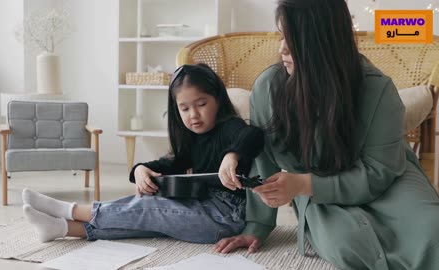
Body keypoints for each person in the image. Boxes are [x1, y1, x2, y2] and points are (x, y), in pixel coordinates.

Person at [214, 0, 439, 269]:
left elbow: (380, 170)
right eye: (281, 36)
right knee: (350, 243)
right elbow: (263, 160)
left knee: (438, 233)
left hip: (388, 179)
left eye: (294, 39)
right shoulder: (268, 89)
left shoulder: (377, 90)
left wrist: (304, 185)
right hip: (314, 187)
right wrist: (257, 225)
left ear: (323, 44)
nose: (283, 49)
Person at [22, 63, 264, 244]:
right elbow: (171, 163)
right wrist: (139, 169)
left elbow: (253, 135)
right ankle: (62, 228)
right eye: (185, 108)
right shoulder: (192, 138)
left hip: (225, 217)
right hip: (199, 206)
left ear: (218, 101)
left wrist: (232, 155)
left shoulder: (230, 127)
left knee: (149, 209)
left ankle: (69, 210)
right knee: (143, 218)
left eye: (201, 104)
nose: (193, 115)